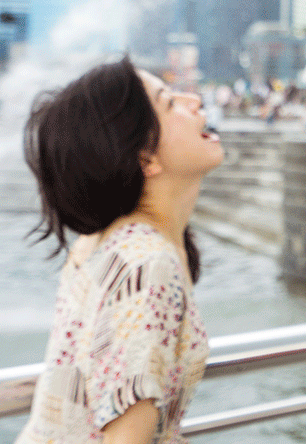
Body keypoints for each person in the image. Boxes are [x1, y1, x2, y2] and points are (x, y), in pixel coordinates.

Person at [17, 57, 224, 444]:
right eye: (169, 102)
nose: (193, 101)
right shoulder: (147, 265)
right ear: (145, 159)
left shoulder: (105, 240)